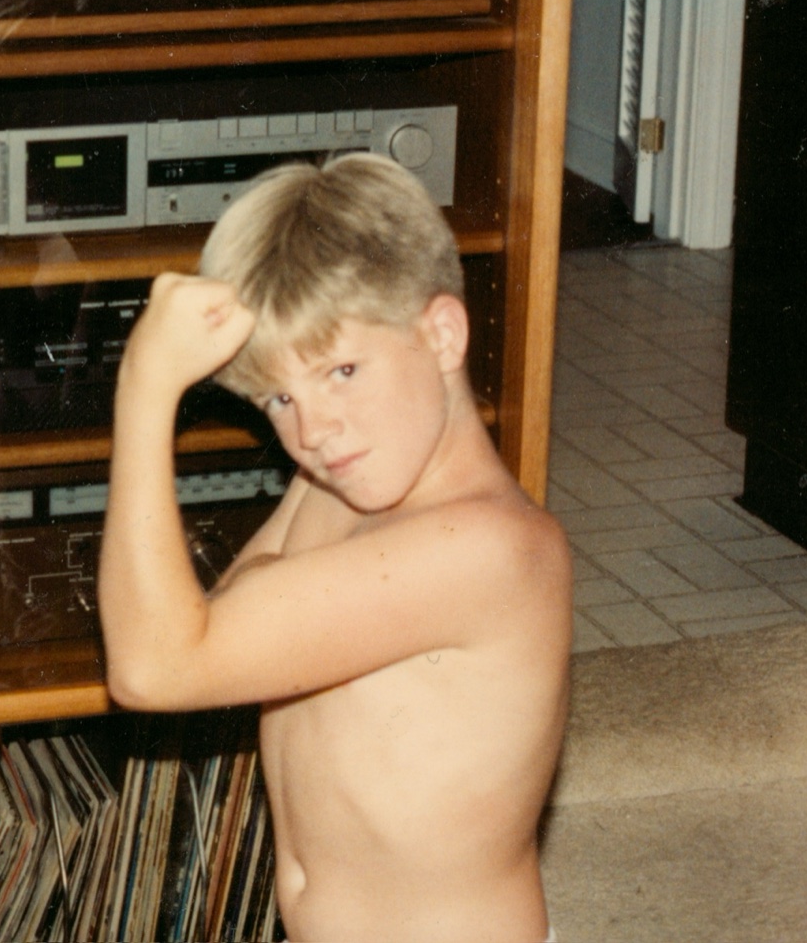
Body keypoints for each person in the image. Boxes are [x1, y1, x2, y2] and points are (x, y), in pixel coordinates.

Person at [97, 154, 570, 943]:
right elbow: (210, 628)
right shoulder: (346, 478)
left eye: (342, 370)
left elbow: (156, 667)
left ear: (443, 333)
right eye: (280, 396)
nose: (311, 432)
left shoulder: (488, 547)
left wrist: (145, 388)